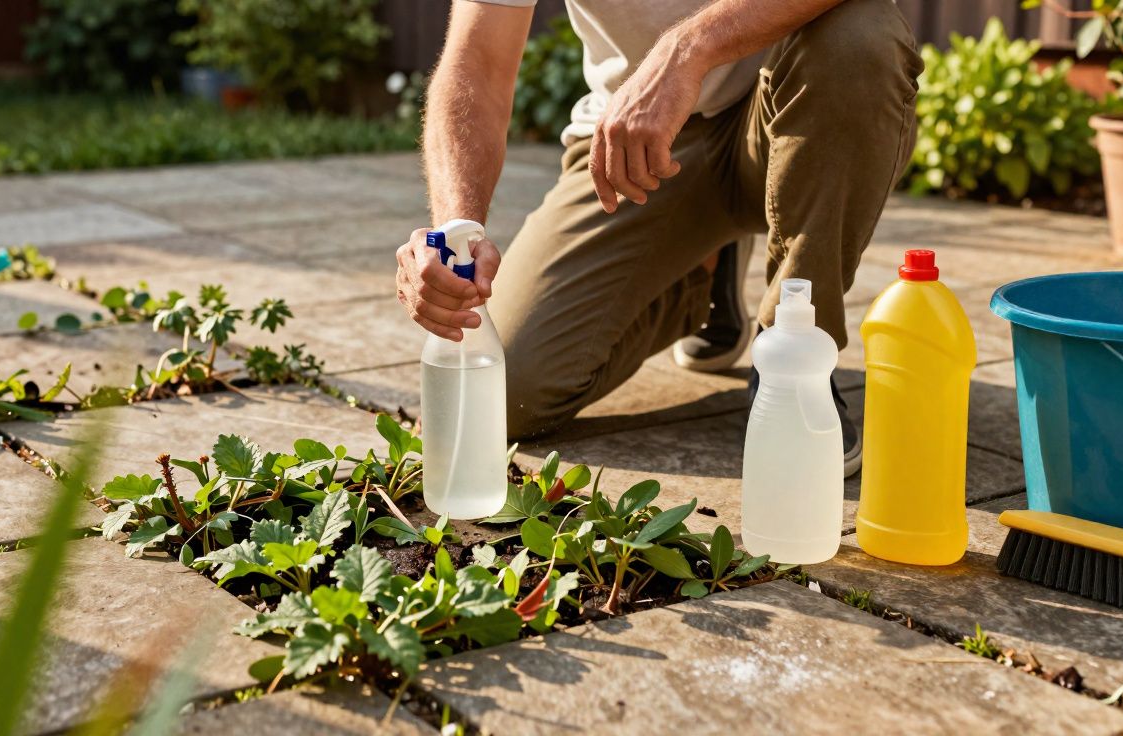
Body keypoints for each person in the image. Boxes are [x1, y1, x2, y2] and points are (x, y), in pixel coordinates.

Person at [394, 0, 923, 477]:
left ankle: (798, 353)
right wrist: (456, 232)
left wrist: (688, 48)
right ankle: (704, 270)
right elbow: (477, 65)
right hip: (639, 149)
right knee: (505, 393)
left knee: (862, 34)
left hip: (793, 106)